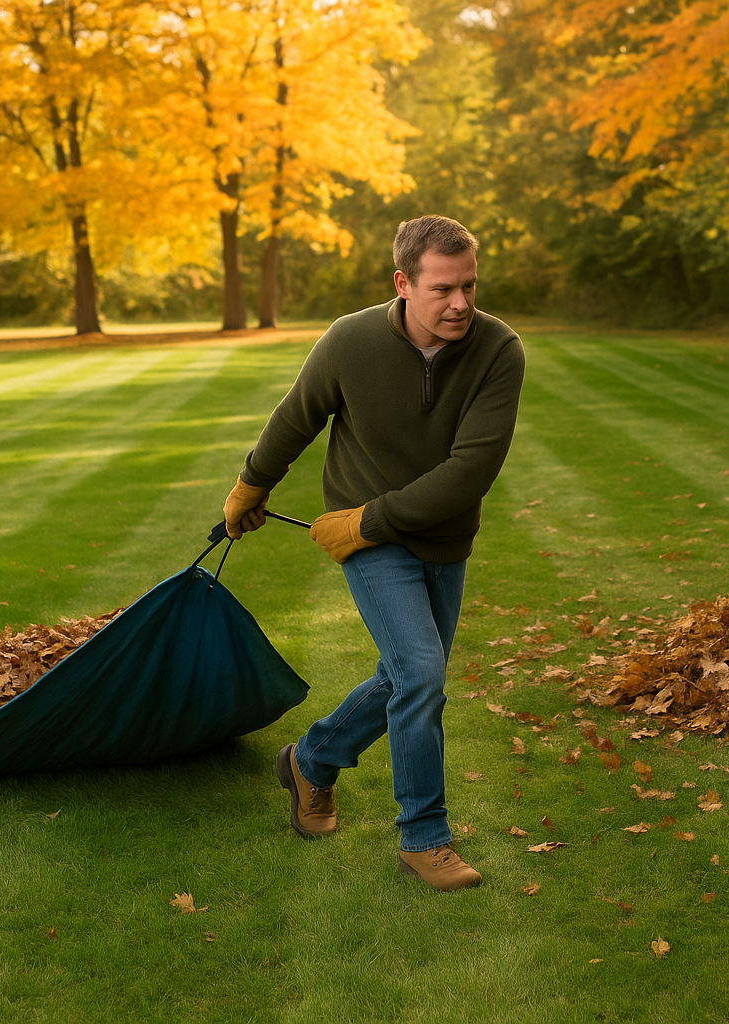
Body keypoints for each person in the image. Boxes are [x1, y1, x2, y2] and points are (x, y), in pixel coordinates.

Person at [221, 215, 524, 892]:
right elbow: (298, 415)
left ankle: (312, 761)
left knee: (405, 675)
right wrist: (251, 484)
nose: (461, 303)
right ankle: (425, 836)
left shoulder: (498, 350)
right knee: (420, 674)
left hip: (427, 535)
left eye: (470, 285)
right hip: (369, 542)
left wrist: (367, 522)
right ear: (403, 283)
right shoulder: (350, 341)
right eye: (444, 288)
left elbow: (469, 471)